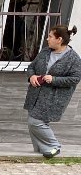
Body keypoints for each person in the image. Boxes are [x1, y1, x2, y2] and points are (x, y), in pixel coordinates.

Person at [25, 24, 81, 158]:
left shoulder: (73, 59)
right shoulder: (45, 52)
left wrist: (54, 79)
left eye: (50, 36)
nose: (47, 39)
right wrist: (31, 76)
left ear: (59, 39)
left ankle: (54, 146)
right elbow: (31, 66)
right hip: (36, 94)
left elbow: (75, 78)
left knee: (35, 122)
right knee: (33, 122)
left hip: (54, 98)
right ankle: (40, 151)